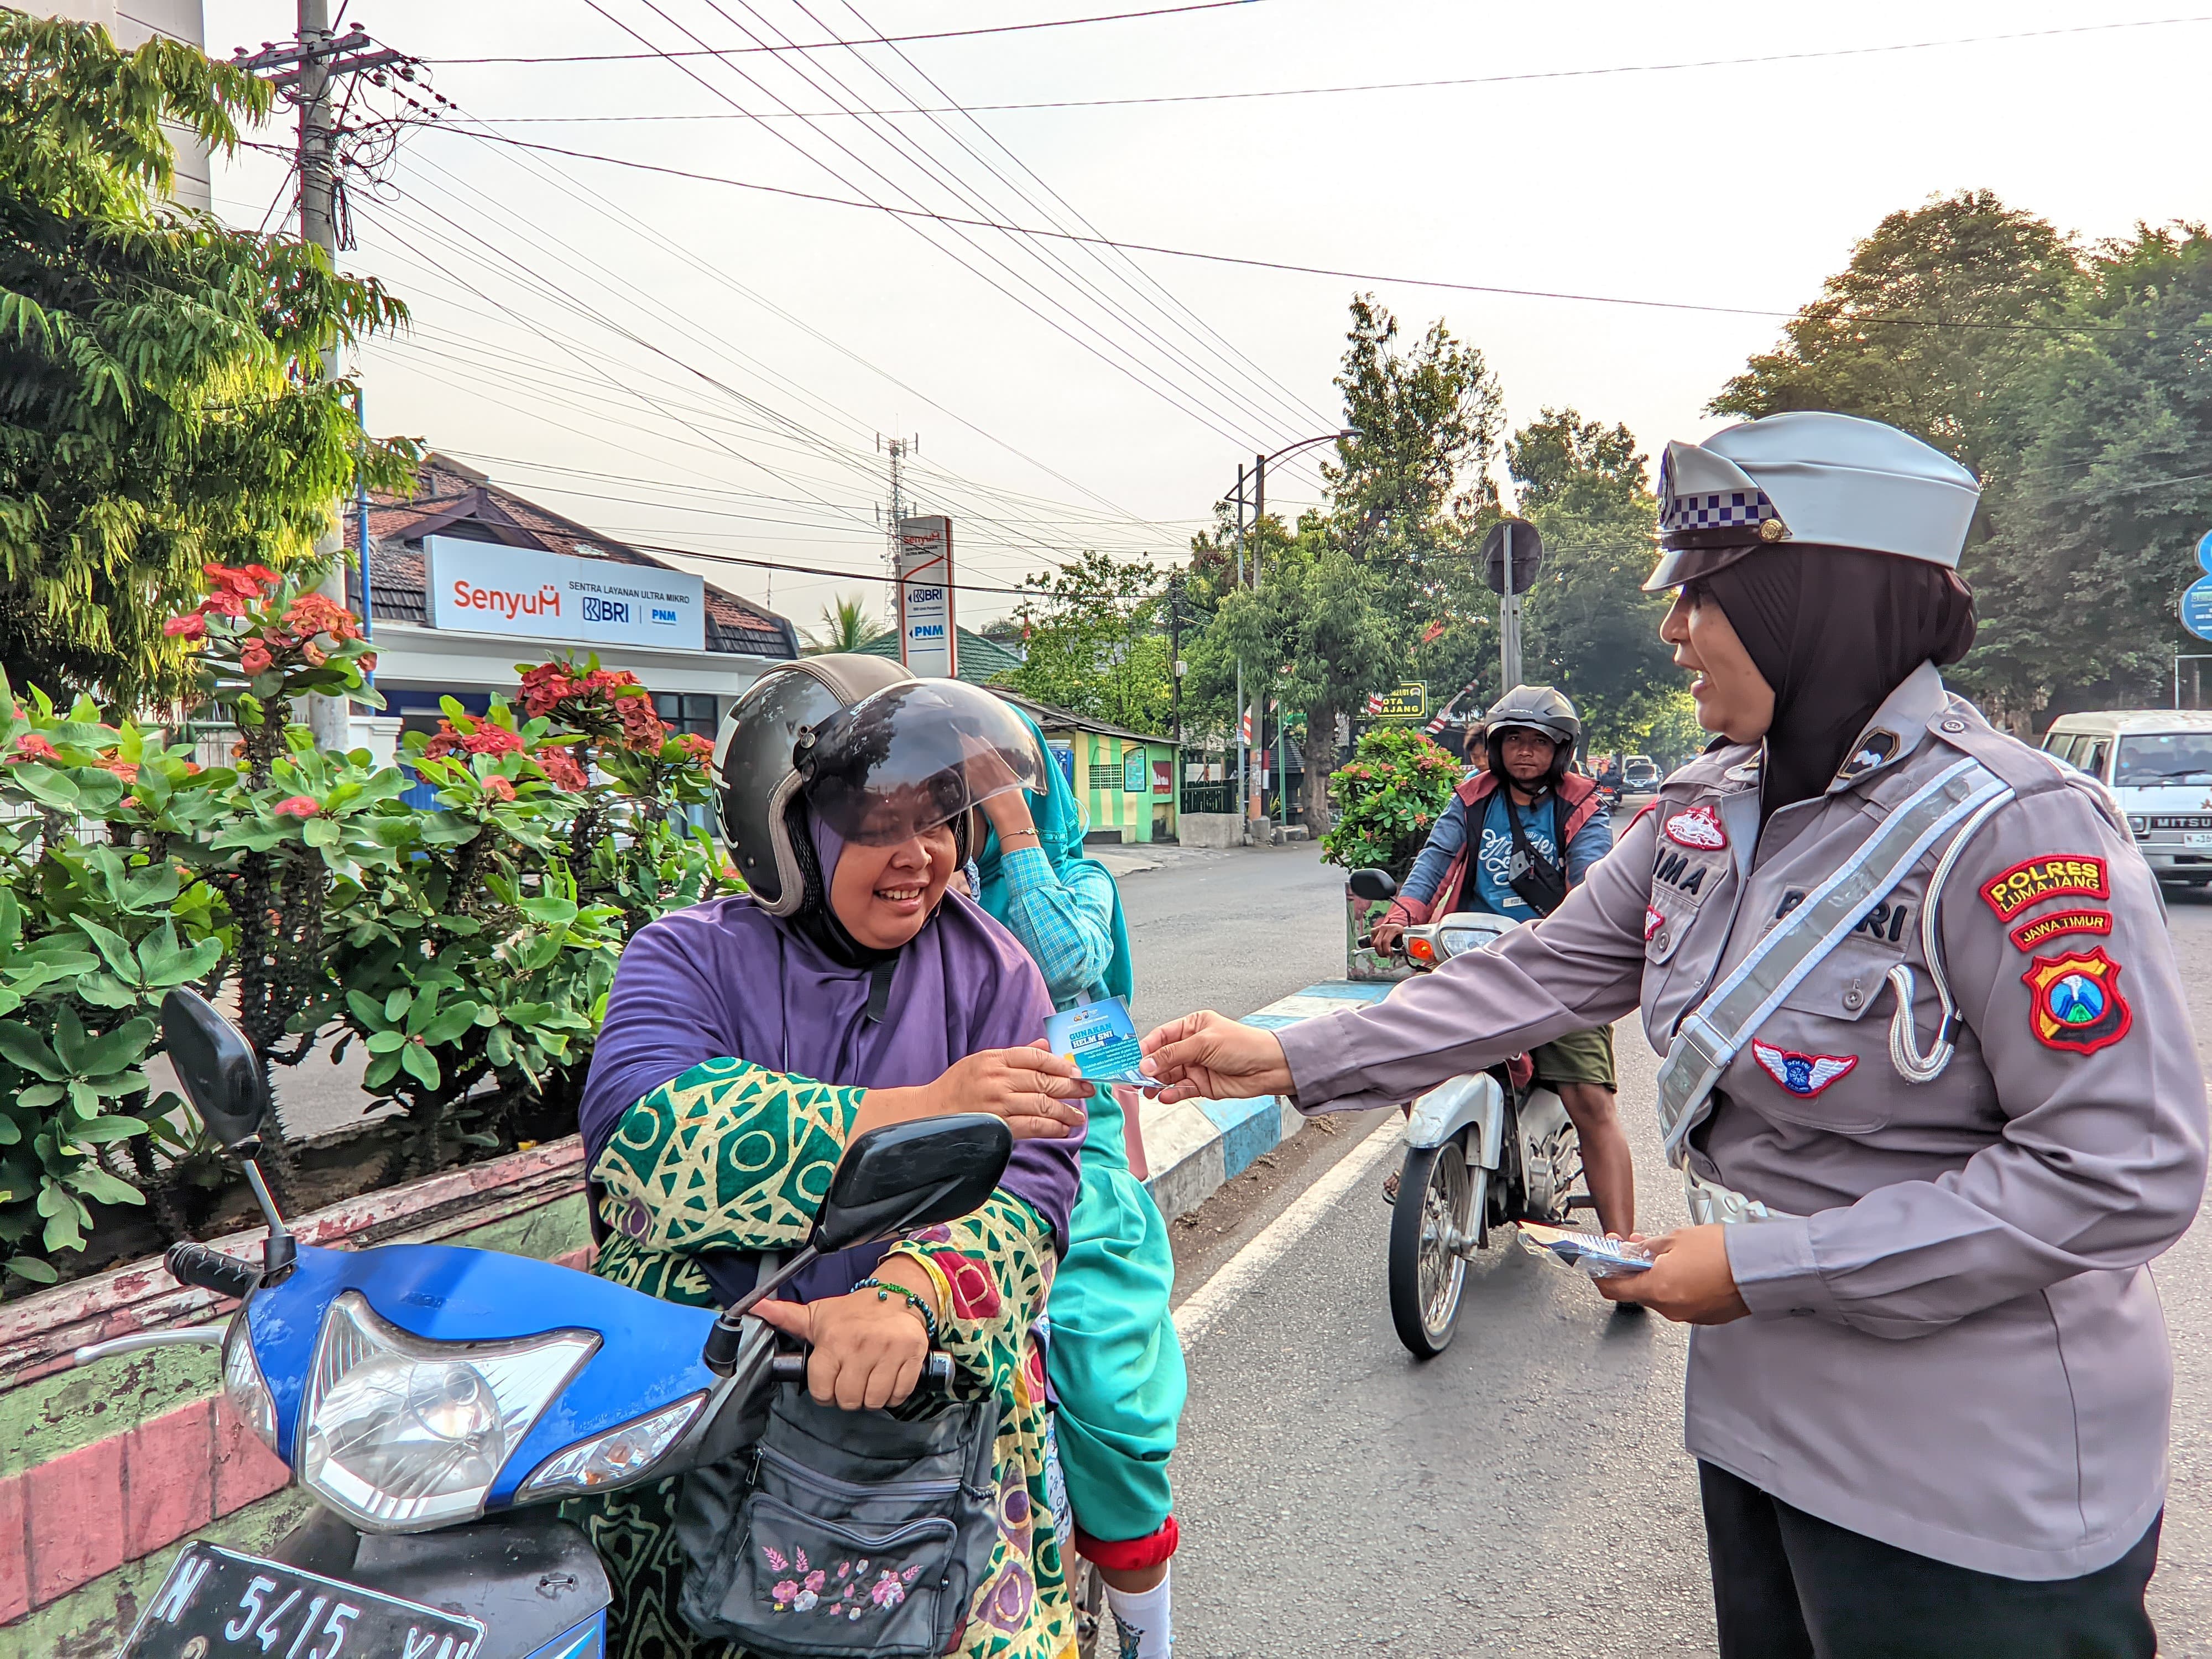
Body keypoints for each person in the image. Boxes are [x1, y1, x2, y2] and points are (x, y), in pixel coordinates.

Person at [1139, 411, 2207, 1657]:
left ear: (1815, 601)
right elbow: (1539, 972)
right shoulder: (1705, 806)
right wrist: (1289, 1059)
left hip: (1970, 1477)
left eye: (1699, 595)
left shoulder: (2017, 831)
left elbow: (2115, 1172)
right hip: (1757, 1424)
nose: (1671, 632)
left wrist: (1758, 1272)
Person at [568, 656, 1094, 1659]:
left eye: (937, 819)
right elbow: (642, 1134)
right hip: (700, 1416)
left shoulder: (998, 972)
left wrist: (906, 1297)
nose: (919, 856)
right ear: (785, 834)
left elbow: (1035, 1191)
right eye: (875, 824)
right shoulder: (685, 956)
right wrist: (923, 1108)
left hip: (937, 1421)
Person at [966, 703, 1186, 1659]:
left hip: (1068, 1149)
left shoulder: (1080, 879)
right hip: (942, 1147)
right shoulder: (919, 887)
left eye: (991, 780)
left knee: (1105, 1369)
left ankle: (1147, 1631)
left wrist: (1017, 832)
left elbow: (1069, 968)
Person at [1368, 686, 1634, 1238]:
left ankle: (1623, 1248)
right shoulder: (1469, 800)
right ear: (1494, 745)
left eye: (1539, 742)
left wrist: (1586, 931)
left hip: (1559, 964)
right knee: (1409, 1050)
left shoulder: (1582, 805)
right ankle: (1432, 1149)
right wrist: (1400, 917)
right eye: (1513, 740)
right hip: (1477, 960)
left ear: (1560, 750)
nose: (1525, 752)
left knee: (1590, 1099)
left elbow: (1592, 877)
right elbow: (1434, 861)